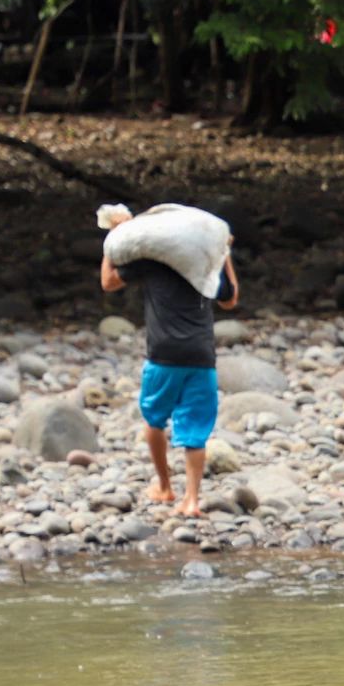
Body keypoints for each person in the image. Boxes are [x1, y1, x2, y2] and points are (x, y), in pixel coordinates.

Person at [99, 214, 239, 518]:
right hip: (201, 356)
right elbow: (230, 300)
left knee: (154, 419)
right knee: (195, 431)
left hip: (162, 355)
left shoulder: (152, 261)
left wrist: (112, 240)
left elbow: (108, 282)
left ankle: (164, 486)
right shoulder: (205, 264)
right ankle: (191, 500)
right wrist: (224, 254)